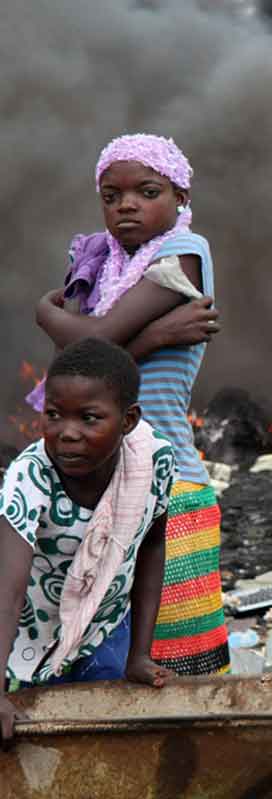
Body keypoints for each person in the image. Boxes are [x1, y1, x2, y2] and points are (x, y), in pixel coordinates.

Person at [30, 134, 230, 675]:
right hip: (89, 478)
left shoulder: (182, 253)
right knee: (95, 652)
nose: (127, 205)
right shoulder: (98, 261)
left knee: (179, 656)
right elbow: (77, 373)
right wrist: (154, 337)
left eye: (148, 191)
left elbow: (87, 347)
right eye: (111, 195)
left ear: (180, 197)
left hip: (166, 475)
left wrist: (47, 315)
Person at [0, 338, 176, 745]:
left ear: (128, 420)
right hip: (27, 641)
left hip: (106, 629)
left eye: (89, 418)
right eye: (54, 415)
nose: (67, 434)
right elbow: (6, 594)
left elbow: (151, 546)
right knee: (31, 749)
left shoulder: (153, 461)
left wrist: (139, 655)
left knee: (103, 746)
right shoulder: (30, 478)